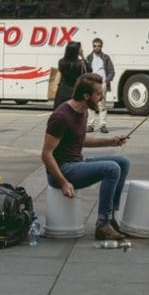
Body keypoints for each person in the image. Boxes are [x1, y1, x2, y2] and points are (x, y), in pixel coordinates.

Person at [40, 72, 129, 241]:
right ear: (86, 96)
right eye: (98, 94)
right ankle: (102, 225)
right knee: (112, 169)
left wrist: (111, 141)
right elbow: (46, 154)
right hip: (62, 170)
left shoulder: (84, 111)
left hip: (76, 163)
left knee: (123, 162)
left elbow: (80, 139)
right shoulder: (61, 117)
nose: (101, 97)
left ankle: (110, 217)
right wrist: (63, 183)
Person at [86, 39, 116, 133]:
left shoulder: (106, 57)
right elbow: (86, 71)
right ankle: (90, 125)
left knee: (102, 105)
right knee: (91, 105)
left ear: (101, 46)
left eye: (98, 46)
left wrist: (106, 81)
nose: (96, 48)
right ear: (92, 46)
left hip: (102, 83)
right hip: (92, 83)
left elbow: (112, 71)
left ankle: (103, 125)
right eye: (95, 46)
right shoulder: (89, 58)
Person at [54, 42, 87, 107]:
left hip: (62, 91)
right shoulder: (80, 63)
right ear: (76, 51)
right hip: (75, 91)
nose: (81, 50)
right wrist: (83, 56)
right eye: (80, 49)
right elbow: (88, 71)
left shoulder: (61, 62)